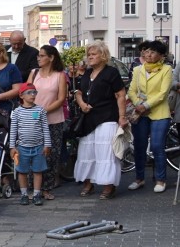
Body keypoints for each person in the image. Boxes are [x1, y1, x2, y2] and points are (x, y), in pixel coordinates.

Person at [73, 41, 127, 200]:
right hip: (88, 118)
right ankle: (88, 184)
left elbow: (121, 95)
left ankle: (109, 186)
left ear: (102, 56)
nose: (90, 57)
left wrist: (122, 117)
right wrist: (82, 104)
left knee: (106, 153)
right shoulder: (87, 73)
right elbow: (78, 92)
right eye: (89, 54)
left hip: (107, 116)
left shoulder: (111, 72)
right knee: (87, 152)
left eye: (93, 54)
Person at [127, 40, 173, 193]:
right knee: (139, 146)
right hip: (140, 113)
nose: (148, 54)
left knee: (157, 146)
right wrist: (138, 104)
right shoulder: (138, 69)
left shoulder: (166, 69)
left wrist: (146, 105)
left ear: (161, 56)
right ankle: (139, 179)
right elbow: (131, 91)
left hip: (159, 112)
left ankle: (161, 179)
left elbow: (163, 93)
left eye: (153, 52)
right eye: (147, 51)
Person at [27, 45, 68, 200]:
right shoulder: (33, 73)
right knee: (33, 153)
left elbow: (61, 98)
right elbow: (25, 93)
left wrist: (44, 110)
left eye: (42, 55)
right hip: (33, 120)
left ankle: (47, 188)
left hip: (53, 120)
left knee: (51, 155)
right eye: (38, 55)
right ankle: (33, 188)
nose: (38, 58)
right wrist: (32, 111)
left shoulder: (60, 75)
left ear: (51, 58)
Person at [9, 83, 52, 206]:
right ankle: (24, 194)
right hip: (22, 148)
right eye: (29, 92)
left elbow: (45, 129)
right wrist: (12, 147)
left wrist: (47, 145)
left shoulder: (40, 110)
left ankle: (37, 194)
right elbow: (13, 131)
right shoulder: (17, 112)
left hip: (38, 147)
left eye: (34, 92)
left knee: (38, 171)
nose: (33, 95)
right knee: (22, 171)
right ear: (21, 95)